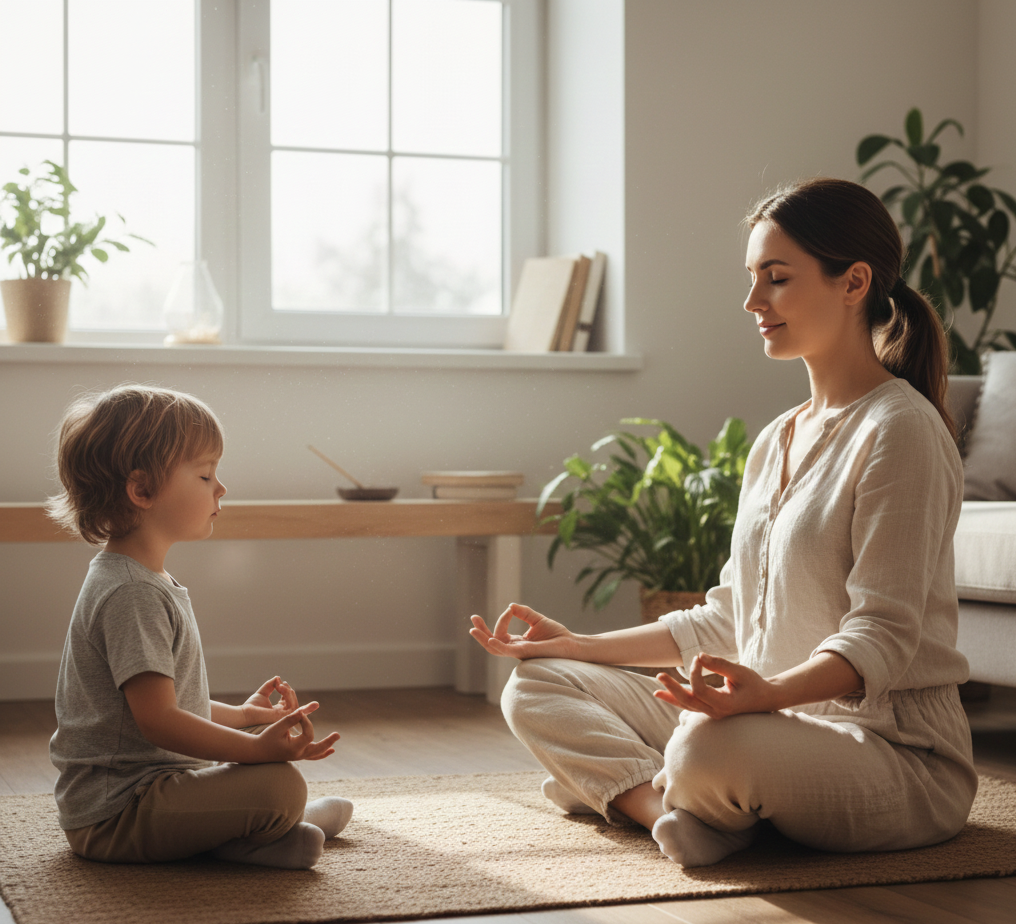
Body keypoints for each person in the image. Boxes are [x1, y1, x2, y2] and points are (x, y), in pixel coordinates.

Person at [469, 177, 977, 867]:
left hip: (892, 754)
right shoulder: (776, 440)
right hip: (765, 723)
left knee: (705, 745)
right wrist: (580, 645)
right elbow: (727, 619)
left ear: (853, 282)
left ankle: (643, 788)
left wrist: (763, 696)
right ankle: (666, 812)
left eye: (777, 278)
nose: (753, 302)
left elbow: (882, 637)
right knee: (538, 682)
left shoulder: (901, 429)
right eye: (752, 278)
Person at [47, 384, 352, 869]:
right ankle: (266, 824)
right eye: (206, 474)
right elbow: (159, 720)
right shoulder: (132, 592)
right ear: (142, 490)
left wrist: (245, 717)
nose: (221, 487)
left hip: (142, 798)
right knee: (279, 783)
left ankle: (256, 835)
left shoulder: (142, 579)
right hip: (114, 818)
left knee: (271, 780)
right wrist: (254, 750)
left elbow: (163, 703)